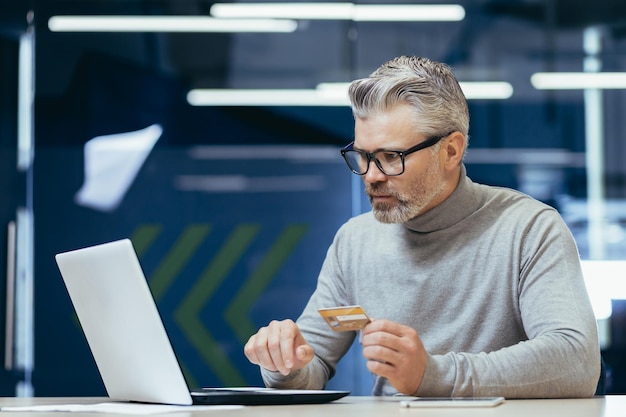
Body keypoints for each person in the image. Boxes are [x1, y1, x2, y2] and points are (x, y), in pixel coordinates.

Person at [244, 55, 600, 398]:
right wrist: (284, 364)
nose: (371, 177)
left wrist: (432, 375)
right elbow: (314, 362)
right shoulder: (355, 241)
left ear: (451, 151)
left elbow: (575, 360)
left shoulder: (528, 229)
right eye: (363, 157)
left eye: (390, 157)